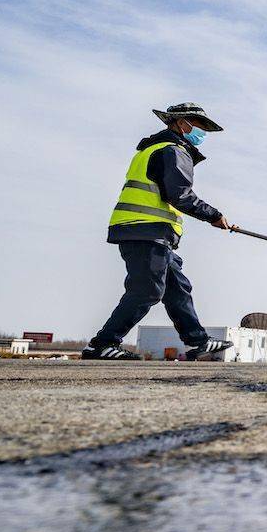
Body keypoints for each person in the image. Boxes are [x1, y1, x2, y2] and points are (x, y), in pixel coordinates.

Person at [83, 102, 236, 360]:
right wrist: (214, 215)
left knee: (177, 287)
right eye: (198, 126)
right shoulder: (173, 150)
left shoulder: (154, 148)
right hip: (145, 230)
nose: (202, 133)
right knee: (146, 291)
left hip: (148, 231)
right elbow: (180, 195)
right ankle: (102, 344)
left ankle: (197, 341)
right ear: (180, 123)